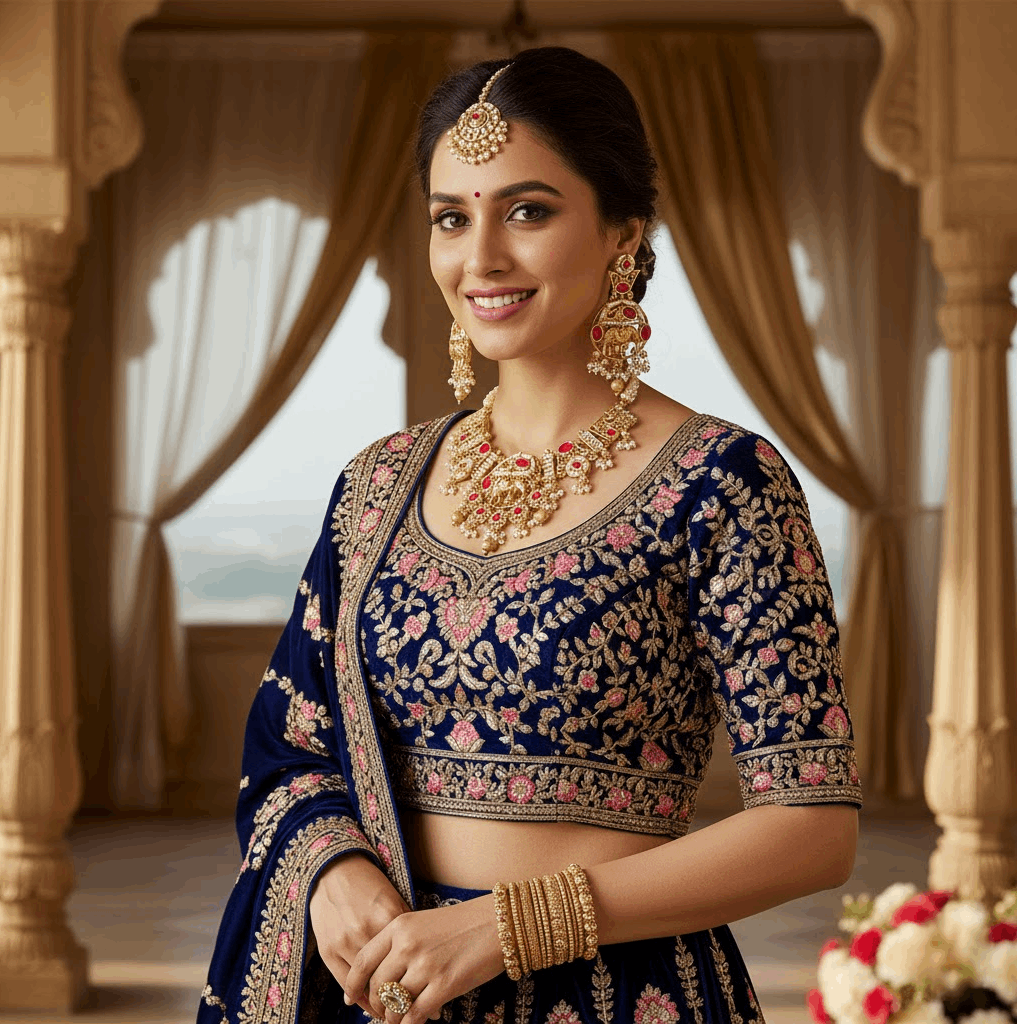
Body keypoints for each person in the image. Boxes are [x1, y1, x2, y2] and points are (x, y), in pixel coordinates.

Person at [198, 46, 861, 1024]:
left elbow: (811, 825)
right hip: (388, 986)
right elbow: (291, 744)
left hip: (617, 990)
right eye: (450, 218)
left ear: (622, 233)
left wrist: (516, 924)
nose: (481, 259)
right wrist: (332, 864)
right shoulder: (378, 485)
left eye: (528, 210)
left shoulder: (722, 481)